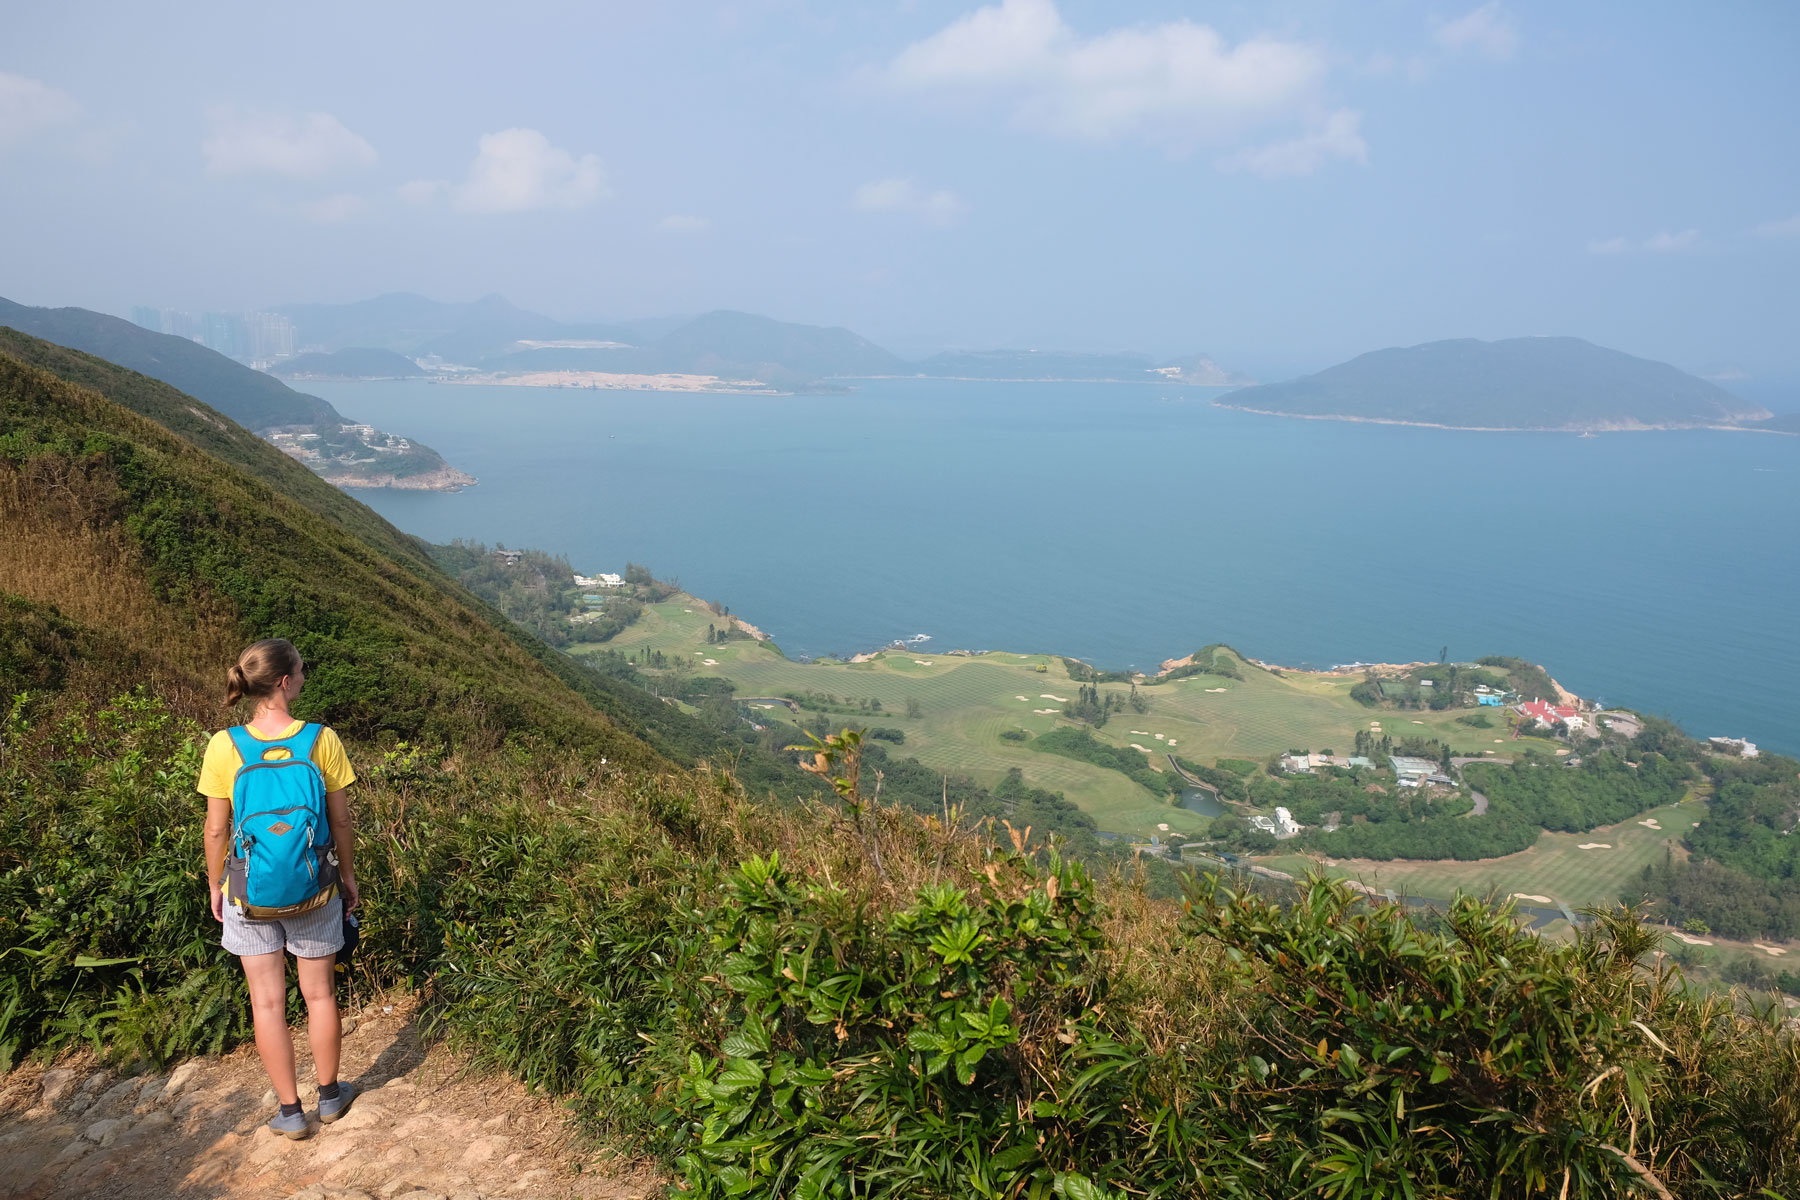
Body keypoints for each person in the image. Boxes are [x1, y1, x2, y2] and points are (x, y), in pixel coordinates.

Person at [198, 638, 361, 1139]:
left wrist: (216, 884)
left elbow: (215, 828)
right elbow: (340, 819)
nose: (305, 676)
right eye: (302, 670)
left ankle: (290, 1112)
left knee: (267, 1003)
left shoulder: (225, 745)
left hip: (249, 891)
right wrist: (348, 876)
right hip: (313, 886)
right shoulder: (320, 740)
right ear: (286, 682)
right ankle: (330, 1097)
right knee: (319, 995)